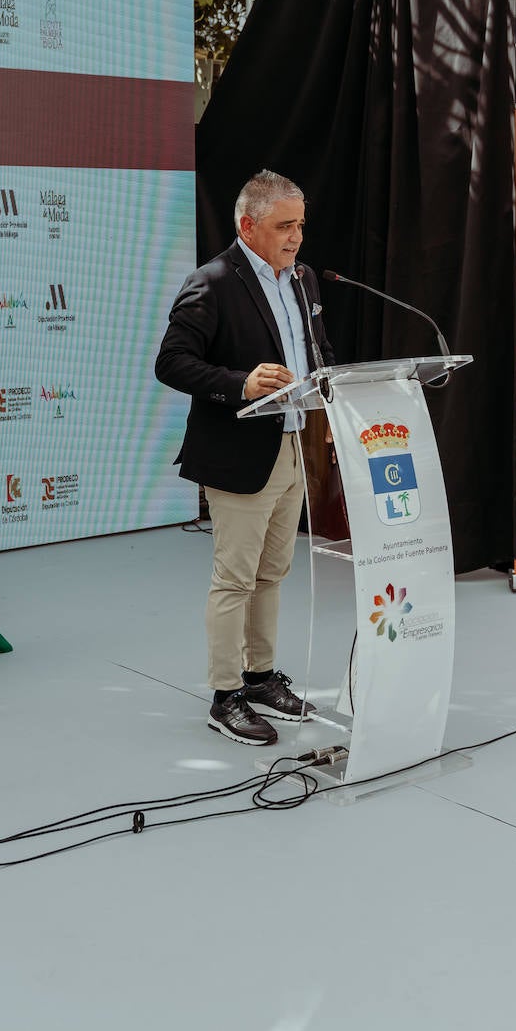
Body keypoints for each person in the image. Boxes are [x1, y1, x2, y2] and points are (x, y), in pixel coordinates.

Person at [155, 169, 335, 746]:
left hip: (293, 443)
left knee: (272, 572)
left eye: (301, 224)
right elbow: (172, 361)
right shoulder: (212, 281)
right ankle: (224, 694)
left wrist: (331, 399)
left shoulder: (303, 279)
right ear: (248, 225)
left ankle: (260, 677)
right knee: (235, 578)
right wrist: (241, 383)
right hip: (239, 450)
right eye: (285, 226)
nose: (296, 237)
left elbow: (318, 351)